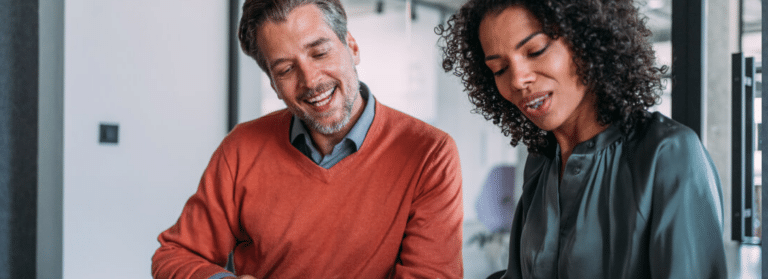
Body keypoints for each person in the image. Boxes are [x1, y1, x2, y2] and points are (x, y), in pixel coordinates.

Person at [151, 0, 464, 278]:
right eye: (286, 69)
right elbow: (174, 256)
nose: (311, 80)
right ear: (274, 85)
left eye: (320, 52)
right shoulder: (241, 148)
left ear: (352, 47)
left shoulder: (429, 152)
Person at [437, 0, 727, 278]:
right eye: (499, 69)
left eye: (535, 51)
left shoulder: (668, 153)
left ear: (587, 40)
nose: (517, 79)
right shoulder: (540, 164)